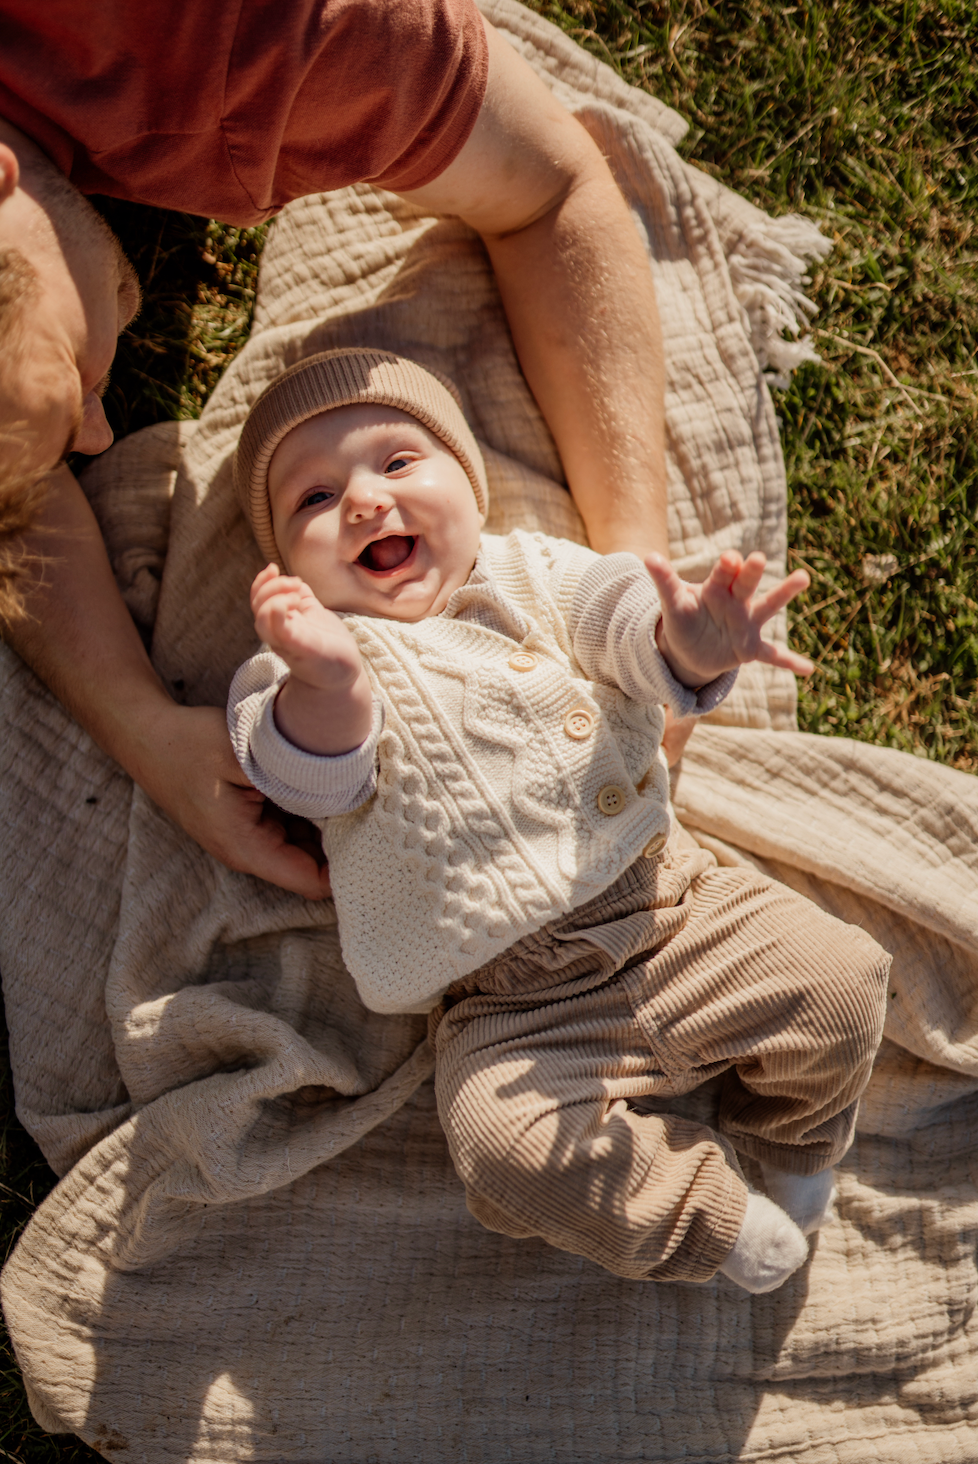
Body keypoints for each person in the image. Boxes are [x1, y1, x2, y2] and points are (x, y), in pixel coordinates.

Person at [226, 348, 891, 1291]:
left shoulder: (531, 570)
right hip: (510, 1007)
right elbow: (307, 776)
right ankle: (708, 1218)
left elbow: (617, 613)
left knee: (843, 981)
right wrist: (326, 679)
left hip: (674, 906)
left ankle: (793, 1141)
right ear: (285, 570)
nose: (367, 502)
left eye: (399, 463)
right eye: (314, 500)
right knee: (500, 1148)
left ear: (472, 483)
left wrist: (687, 642)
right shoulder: (303, 670)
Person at [0, 0, 678, 900]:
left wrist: (640, 567)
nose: (100, 433)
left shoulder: (271, 38)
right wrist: (144, 729)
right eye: (311, 500)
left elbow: (552, 191)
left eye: (67, 382)